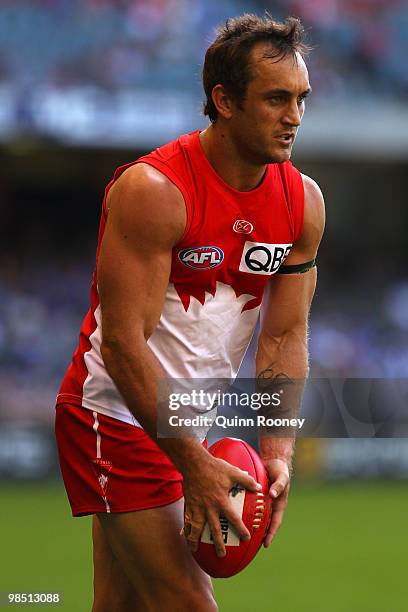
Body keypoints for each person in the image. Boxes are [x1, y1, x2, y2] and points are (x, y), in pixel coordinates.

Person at [55, 12, 325, 612]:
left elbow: (284, 334)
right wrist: (193, 465)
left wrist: (277, 451)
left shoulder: (302, 202)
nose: (294, 117)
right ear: (223, 100)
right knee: (187, 602)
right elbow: (123, 344)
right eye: (276, 99)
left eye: (302, 99)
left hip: (182, 425)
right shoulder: (155, 190)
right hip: (114, 415)